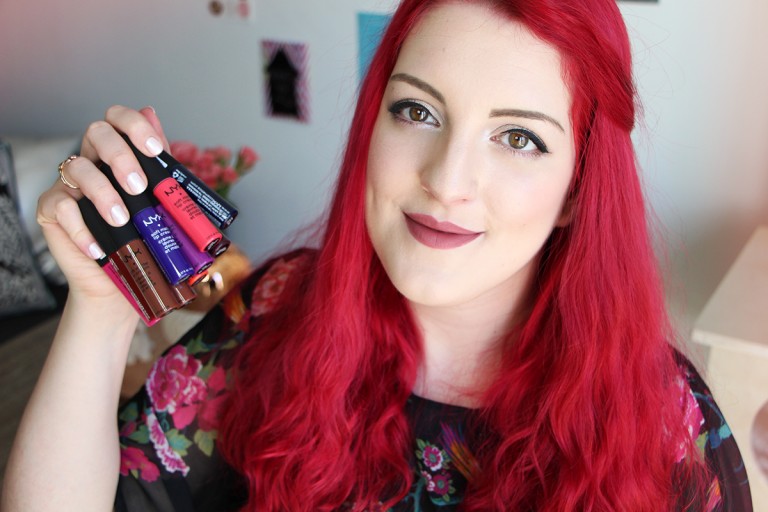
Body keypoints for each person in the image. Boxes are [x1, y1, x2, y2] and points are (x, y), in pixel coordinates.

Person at [1, 0, 753, 510]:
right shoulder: (273, 311)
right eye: (417, 110)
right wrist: (98, 316)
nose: (446, 182)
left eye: (519, 138)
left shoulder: (667, 431)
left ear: (575, 190)